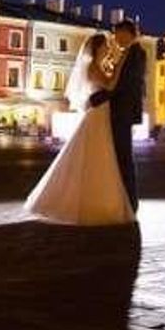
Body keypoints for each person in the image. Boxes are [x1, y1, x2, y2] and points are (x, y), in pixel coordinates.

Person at [24, 32, 136, 225]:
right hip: (98, 115)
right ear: (97, 48)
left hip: (100, 113)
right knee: (96, 156)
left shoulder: (97, 66)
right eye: (106, 46)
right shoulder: (93, 66)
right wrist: (120, 65)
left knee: (98, 156)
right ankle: (92, 203)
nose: (109, 49)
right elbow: (109, 86)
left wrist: (114, 66)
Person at [90, 20, 146, 212]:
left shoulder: (135, 53)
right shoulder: (128, 53)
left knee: (124, 157)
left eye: (117, 33)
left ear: (127, 33)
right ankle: (126, 200)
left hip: (123, 112)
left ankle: (130, 202)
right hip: (121, 111)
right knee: (121, 157)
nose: (115, 38)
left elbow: (124, 85)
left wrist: (99, 97)